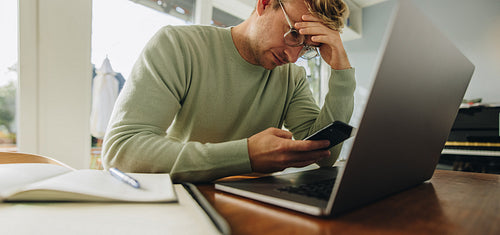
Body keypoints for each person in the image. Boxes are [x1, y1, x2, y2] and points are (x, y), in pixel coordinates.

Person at [102, 0, 356, 182]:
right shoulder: (178, 46)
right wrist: (246, 155)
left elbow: (325, 155)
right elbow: (121, 151)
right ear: (265, 3)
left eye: (307, 47)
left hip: (256, 206)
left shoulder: (293, 77)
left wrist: (341, 72)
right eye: (293, 34)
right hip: (185, 202)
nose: (293, 56)